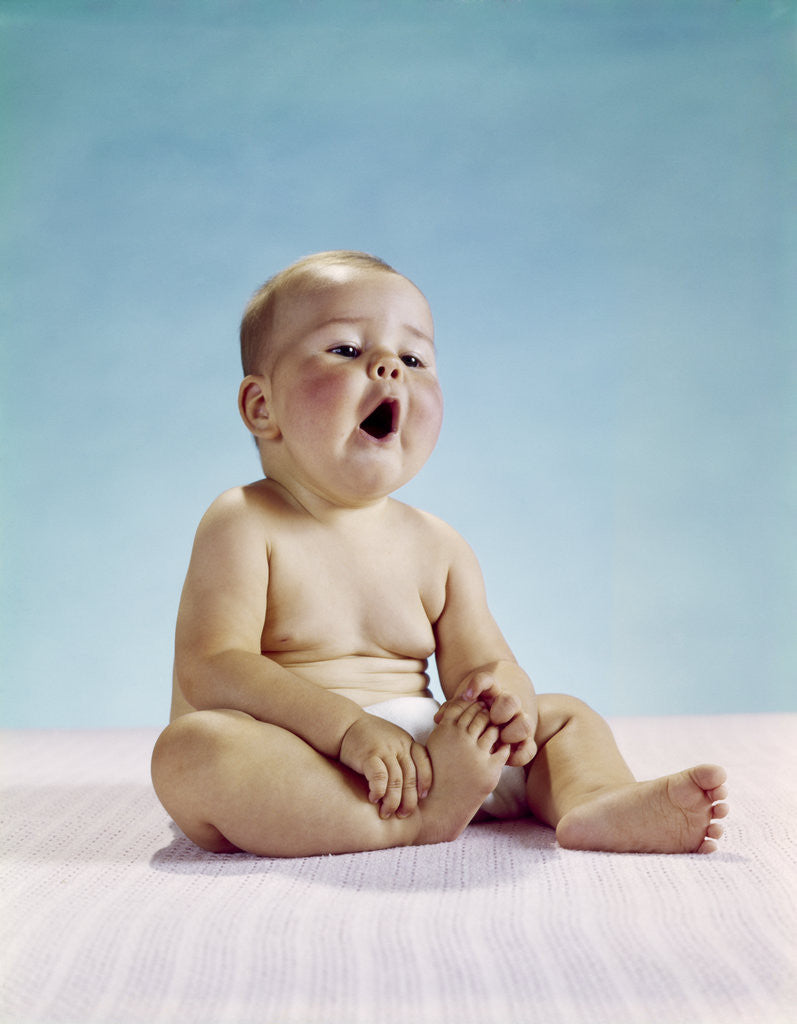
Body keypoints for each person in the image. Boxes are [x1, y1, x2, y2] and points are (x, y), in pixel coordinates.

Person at [151, 250, 729, 858]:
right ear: (261, 407)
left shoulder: (438, 545)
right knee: (192, 754)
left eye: (413, 358)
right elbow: (213, 666)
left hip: (434, 759)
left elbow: (485, 664)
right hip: (306, 755)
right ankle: (412, 824)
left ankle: (594, 801)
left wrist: (504, 700)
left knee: (565, 717)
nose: (387, 368)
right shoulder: (244, 520)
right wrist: (347, 729)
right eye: (346, 349)